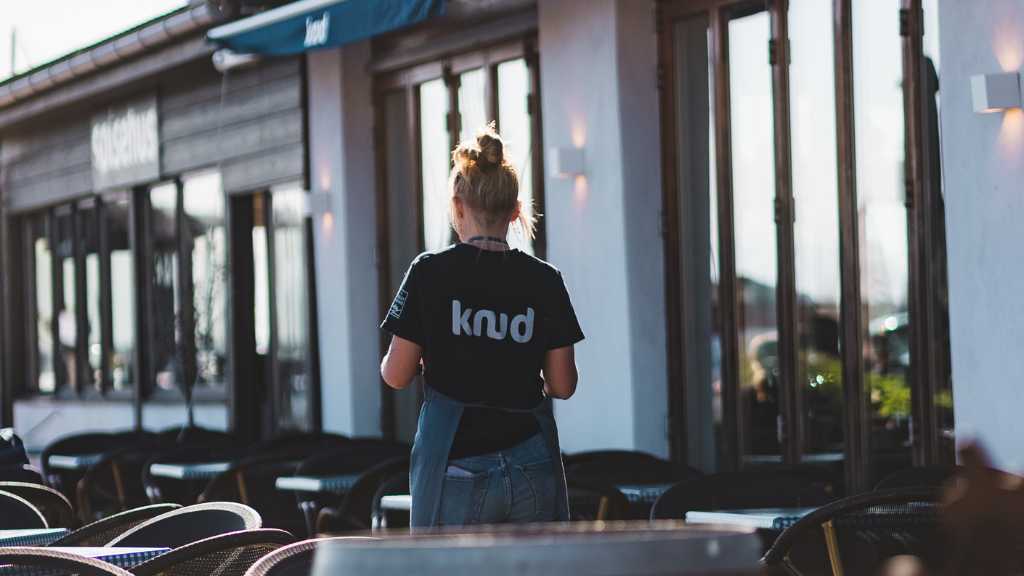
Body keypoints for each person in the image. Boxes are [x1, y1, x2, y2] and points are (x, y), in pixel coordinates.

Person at [379, 124, 584, 528]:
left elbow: (396, 375)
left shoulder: (429, 272)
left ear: (458, 205)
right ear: (515, 210)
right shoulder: (545, 280)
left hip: (456, 463)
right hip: (532, 460)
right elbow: (562, 385)